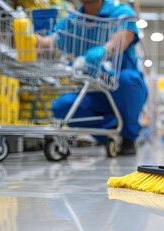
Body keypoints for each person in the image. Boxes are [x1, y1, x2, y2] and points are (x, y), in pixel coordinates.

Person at [37, 0, 148, 155]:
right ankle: (111, 129)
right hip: (94, 91)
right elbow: (52, 41)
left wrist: (105, 50)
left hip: (123, 89)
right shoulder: (73, 20)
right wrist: (33, 39)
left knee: (126, 81)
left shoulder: (120, 11)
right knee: (62, 106)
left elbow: (125, 36)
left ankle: (129, 137)